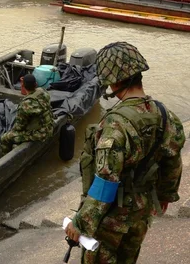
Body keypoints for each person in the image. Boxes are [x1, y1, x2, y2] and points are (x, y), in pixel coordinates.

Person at [64, 42, 185, 263]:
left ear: (114, 81)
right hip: (142, 211)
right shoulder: (165, 114)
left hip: (111, 218)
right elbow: (172, 161)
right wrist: (166, 195)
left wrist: (80, 223)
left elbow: (106, 181)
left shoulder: (115, 123)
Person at [0, 74, 54, 156]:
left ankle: (4, 160)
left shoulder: (25, 105)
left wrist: (11, 131)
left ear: (23, 86)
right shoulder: (43, 91)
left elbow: (19, 127)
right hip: (50, 127)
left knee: (5, 138)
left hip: (40, 134)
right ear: (36, 84)